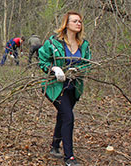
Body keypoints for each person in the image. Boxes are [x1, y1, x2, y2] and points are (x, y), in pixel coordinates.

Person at [38, 11, 91, 166]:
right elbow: (42, 60)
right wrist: (54, 68)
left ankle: (54, 146)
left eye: (80, 21)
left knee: (63, 116)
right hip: (55, 87)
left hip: (73, 87)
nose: (78, 23)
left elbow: (87, 63)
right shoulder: (53, 43)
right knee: (68, 116)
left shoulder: (84, 44)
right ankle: (69, 157)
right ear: (66, 24)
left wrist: (79, 70)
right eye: (75, 21)